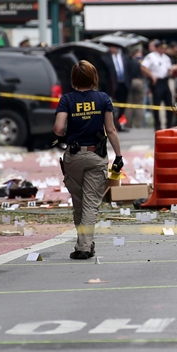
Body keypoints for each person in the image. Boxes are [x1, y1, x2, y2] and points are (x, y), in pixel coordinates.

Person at [54, 61, 123, 260]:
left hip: (73, 157)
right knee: (91, 203)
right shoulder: (103, 99)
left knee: (79, 202)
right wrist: (118, 156)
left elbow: (58, 128)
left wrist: (65, 135)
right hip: (95, 156)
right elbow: (110, 130)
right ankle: (84, 246)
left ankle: (83, 243)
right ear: (94, 78)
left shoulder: (67, 100)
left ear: (73, 79)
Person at [142, 40, 174, 129]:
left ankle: (169, 124)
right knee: (157, 103)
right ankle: (157, 125)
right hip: (157, 81)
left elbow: (169, 69)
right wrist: (151, 75)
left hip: (165, 81)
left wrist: (170, 71)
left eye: (164, 48)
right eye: (161, 48)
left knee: (169, 103)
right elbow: (143, 67)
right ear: (157, 48)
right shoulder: (151, 57)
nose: (163, 50)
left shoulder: (166, 58)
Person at [107, 44, 132, 131]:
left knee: (123, 104)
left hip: (124, 84)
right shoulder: (107, 58)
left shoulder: (124, 57)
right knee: (112, 105)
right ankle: (112, 124)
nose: (114, 49)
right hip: (114, 84)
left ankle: (119, 123)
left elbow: (129, 70)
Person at [126, 47, 146, 129]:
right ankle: (139, 124)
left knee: (129, 104)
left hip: (130, 81)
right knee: (139, 104)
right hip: (139, 81)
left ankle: (128, 124)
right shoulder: (139, 62)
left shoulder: (127, 62)